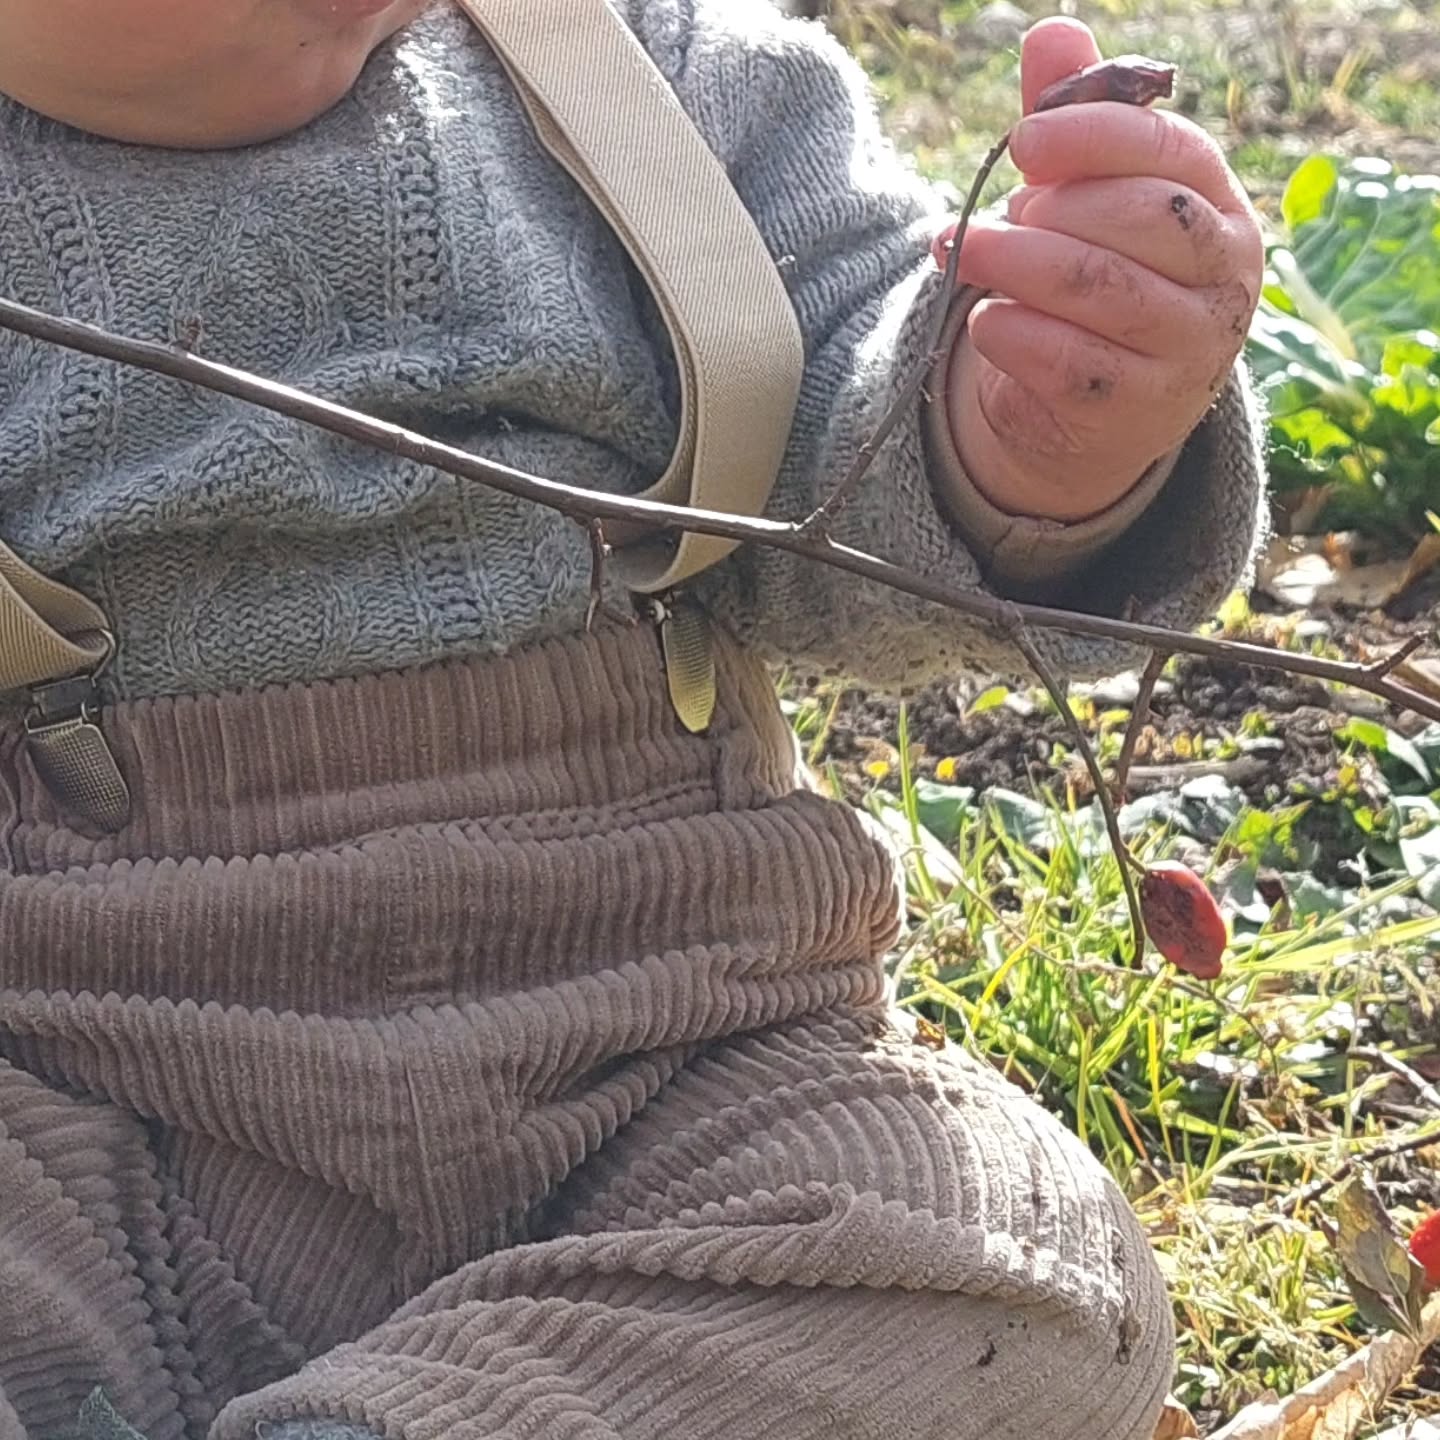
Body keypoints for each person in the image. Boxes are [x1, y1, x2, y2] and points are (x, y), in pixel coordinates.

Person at [0, 2, 1267, 1438]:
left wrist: (1035, 427)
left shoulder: (649, 78)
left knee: (1025, 1261)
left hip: (677, 1059)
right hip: (79, 1090)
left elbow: (845, 457)